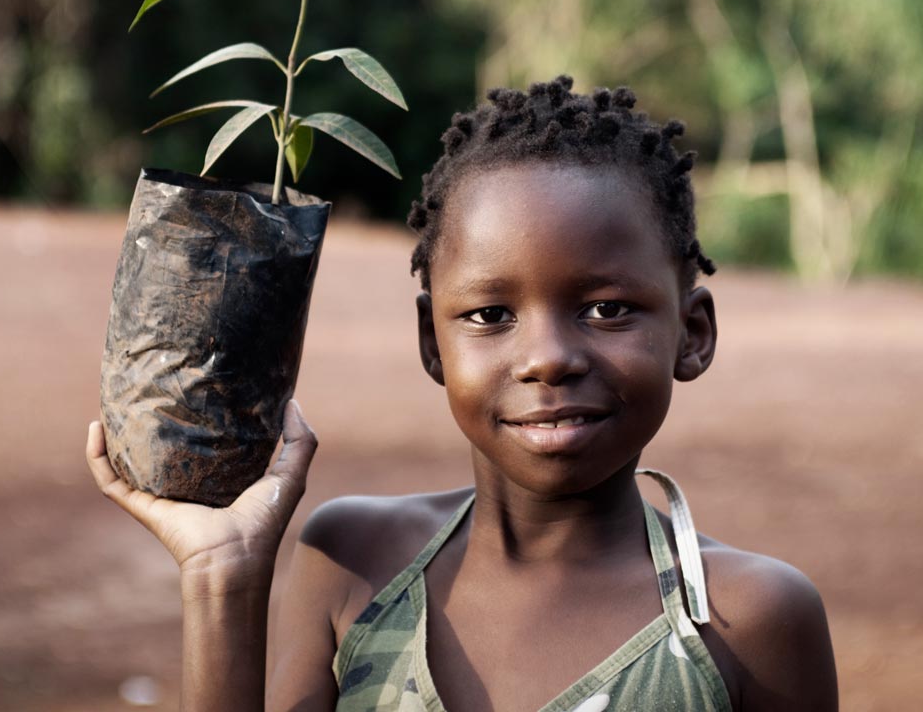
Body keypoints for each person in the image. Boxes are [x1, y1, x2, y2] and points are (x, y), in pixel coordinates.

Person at [86, 76, 839, 711]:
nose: (547, 358)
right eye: (490, 315)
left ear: (693, 334)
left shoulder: (748, 621)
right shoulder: (351, 563)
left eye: (607, 309)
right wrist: (223, 578)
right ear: (431, 343)